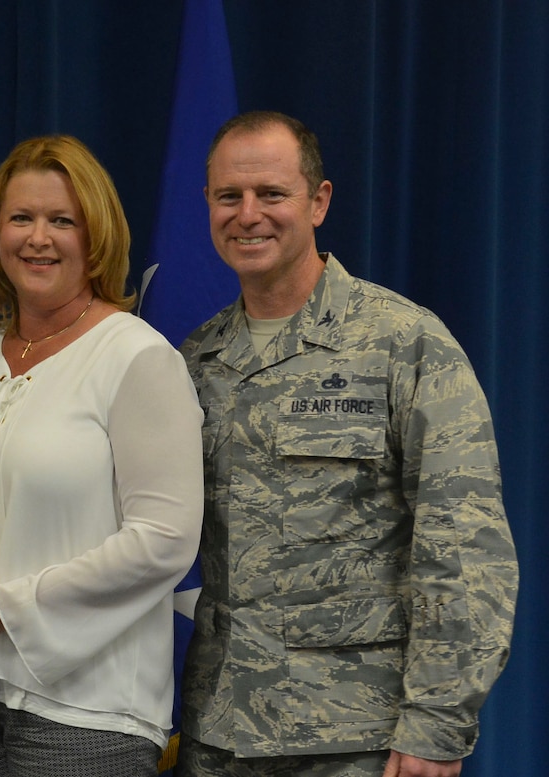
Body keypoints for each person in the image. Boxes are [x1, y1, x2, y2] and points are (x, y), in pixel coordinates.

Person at [175, 111, 518, 777]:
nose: (249, 214)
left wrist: (437, 722)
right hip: (220, 737)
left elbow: (466, 547)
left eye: (272, 194)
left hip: (357, 740)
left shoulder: (405, 343)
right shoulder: (196, 360)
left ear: (319, 200)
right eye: (229, 196)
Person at [0, 135, 204, 777]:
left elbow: (166, 539)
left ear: (96, 236)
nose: (39, 238)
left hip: (89, 705)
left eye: (63, 220)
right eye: (21, 218)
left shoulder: (137, 357)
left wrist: (7, 606)